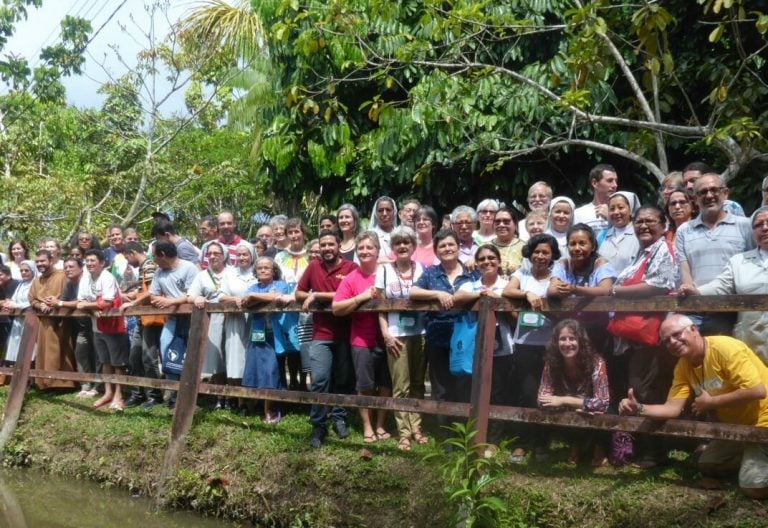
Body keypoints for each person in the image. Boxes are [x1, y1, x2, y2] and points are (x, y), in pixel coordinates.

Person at [619, 314, 768, 499]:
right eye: (666, 341)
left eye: (676, 334)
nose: (672, 342)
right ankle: (750, 458)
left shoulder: (725, 349)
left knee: (754, 489)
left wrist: (711, 403)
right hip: (735, 428)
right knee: (706, 465)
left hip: (763, 424)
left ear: (693, 329)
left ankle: (756, 463)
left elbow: (757, 391)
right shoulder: (683, 366)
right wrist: (639, 409)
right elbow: (672, 408)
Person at [680, 206, 768, 366]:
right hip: (751, 339)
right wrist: (697, 291)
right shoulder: (739, 261)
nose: (765, 228)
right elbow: (722, 285)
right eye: (758, 225)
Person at [410, 229, 479, 432]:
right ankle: (446, 433)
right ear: (436, 251)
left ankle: (464, 431)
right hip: (438, 336)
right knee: (441, 386)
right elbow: (413, 291)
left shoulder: (472, 272)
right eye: (442, 246)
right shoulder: (431, 272)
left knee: (464, 383)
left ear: (458, 247)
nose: (447, 249)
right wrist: (437, 294)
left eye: (451, 244)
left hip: (465, 338)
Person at [295, 230, 359, 448]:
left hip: (345, 332)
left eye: (331, 244)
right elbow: (298, 293)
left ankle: (339, 417)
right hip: (321, 333)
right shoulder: (314, 266)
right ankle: (318, 424)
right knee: (320, 379)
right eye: (323, 245)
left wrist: (318, 296)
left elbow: (352, 294)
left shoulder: (351, 268)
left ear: (339, 245)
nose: (327, 248)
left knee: (343, 379)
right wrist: (310, 295)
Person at [503, 234, 561, 462]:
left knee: (546, 395)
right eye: (536, 251)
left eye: (545, 252)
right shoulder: (522, 273)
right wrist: (527, 293)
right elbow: (507, 291)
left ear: (552, 255)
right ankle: (522, 442)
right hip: (524, 344)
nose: (540, 256)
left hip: (549, 345)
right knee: (526, 393)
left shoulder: (556, 276)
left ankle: (541, 444)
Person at [333, 231, 393, 444]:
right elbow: (337, 308)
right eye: (361, 249)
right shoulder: (351, 278)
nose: (365, 251)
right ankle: (367, 426)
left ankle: (381, 424)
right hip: (361, 339)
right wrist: (362, 297)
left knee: (386, 383)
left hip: (390, 337)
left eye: (369, 247)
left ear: (378, 251)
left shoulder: (388, 272)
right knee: (365, 384)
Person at [675, 173, 754, 335]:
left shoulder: (745, 226)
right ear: (695, 198)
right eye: (703, 192)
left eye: (714, 190)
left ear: (725, 193)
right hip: (697, 310)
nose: (709, 195)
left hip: (734, 310)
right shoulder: (684, 230)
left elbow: (751, 268)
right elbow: (684, 269)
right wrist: (692, 299)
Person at [455, 245, 515, 444]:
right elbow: (458, 298)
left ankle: (493, 440)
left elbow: (515, 315)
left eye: (491, 258)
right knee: (471, 391)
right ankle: (471, 437)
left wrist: (498, 299)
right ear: (477, 263)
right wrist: (482, 295)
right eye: (482, 259)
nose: (487, 262)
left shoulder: (508, 285)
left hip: (503, 346)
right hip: (473, 348)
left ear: (499, 261)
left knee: (498, 392)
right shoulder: (470, 285)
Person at [375, 226, 428, 451]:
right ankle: (403, 432)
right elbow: (379, 307)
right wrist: (386, 334)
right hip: (396, 335)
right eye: (398, 243)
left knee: (418, 383)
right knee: (401, 385)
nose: (403, 246)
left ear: (413, 246)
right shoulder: (384, 271)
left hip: (421, 333)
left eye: (407, 242)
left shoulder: (422, 269)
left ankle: (416, 427)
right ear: (393, 248)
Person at [538, 319, 610, 466]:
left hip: (592, 411)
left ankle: (600, 447)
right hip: (571, 409)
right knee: (556, 412)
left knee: (600, 412)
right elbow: (542, 399)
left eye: (572, 338)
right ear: (556, 342)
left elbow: (603, 402)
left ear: (581, 341)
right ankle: (575, 445)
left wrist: (566, 400)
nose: (567, 343)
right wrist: (571, 403)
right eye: (562, 339)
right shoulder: (551, 363)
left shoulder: (597, 362)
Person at [142, 242, 199, 411]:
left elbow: (192, 294)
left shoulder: (189, 268)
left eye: (153, 256)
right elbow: (152, 293)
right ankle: (175, 396)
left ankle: (189, 398)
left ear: (162, 254)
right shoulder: (160, 271)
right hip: (172, 319)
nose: (153, 260)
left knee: (189, 357)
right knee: (167, 352)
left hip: (190, 320)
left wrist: (169, 301)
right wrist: (132, 303)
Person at [239, 257, 294, 423]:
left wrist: (254, 296)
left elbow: (277, 296)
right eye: (260, 268)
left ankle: (272, 408)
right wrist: (262, 296)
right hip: (258, 333)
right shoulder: (252, 286)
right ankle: (262, 406)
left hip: (277, 335)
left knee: (272, 370)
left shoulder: (281, 284)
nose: (263, 270)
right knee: (259, 370)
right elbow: (244, 302)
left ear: (274, 270)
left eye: (267, 268)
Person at [548, 224, 616, 352]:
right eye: (572, 244)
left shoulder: (600, 263)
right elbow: (551, 290)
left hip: (598, 329)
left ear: (593, 246)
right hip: (568, 328)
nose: (577, 248)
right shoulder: (564, 263)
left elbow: (605, 290)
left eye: (582, 243)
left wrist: (575, 289)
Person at [76, 249, 128, 411]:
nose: (89, 264)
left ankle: (119, 395)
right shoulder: (85, 278)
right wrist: (91, 309)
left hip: (114, 325)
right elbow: (81, 299)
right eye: (88, 261)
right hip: (97, 326)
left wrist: (86, 306)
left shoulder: (107, 277)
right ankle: (108, 392)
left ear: (102, 263)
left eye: (93, 261)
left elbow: (106, 302)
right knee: (104, 360)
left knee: (117, 362)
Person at [118, 242, 164, 409]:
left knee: (149, 357)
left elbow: (152, 292)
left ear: (132, 252)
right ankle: (138, 393)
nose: (128, 262)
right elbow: (143, 291)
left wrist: (133, 303)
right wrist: (132, 296)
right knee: (134, 356)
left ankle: (154, 395)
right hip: (141, 318)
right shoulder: (143, 268)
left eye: (127, 257)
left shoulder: (150, 266)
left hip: (150, 319)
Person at [188, 241, 231, 409]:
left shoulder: (233, 273)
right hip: (213, 320)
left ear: (224, 255)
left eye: (216, 253)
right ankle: (221, 397)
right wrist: (197, 298)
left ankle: (235, 397)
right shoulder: (202, 275)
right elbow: (190, 295)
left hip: (234, 320)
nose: (213, 256)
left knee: (232, 358)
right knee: (217, 358)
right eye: (209, 253)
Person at [219, 244, 262, 403]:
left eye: (245, 254)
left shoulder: (258, 272)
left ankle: (254, 398)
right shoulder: (229, 274)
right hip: (235, 321)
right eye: (239, 255)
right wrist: (236, 299)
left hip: (256, 320)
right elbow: (221, 297)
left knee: (255, 353)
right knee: (235, 357)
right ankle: (237, 399)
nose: (242, 258)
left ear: (252, 256)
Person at [29, 249, 76, 390]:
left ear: (51, 260)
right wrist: (40, 304)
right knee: (43, 352)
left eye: (42, 261)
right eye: (37, 262)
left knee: (59, 350)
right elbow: (32, 298)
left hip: (60, 321)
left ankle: (63, 384)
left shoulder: (62, 276)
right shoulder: (37, 280)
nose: (40, 264)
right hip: (42, 322)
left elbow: (69, 295)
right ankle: (44, 383)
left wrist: (55, 302)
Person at [57, 257, 98, 397]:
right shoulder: (69, 285)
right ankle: (85, 384)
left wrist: (60, 303)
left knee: (98, 355)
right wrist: (55, 302)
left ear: (81, 268)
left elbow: (82, 301)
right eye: (66, 267)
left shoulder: (87, 281)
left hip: (96, 324)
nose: (68, 269)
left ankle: (99, 385)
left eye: (71, 266)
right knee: (80, 353)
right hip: (81, 327)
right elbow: (64, 300)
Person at [1, 260, 36, 366]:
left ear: (32, 271)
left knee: (29, 348)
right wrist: (9, 305)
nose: (24, 273)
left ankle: (29, 379)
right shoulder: (21, 284)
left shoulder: (35, 283)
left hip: (30, 319)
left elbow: (32, 301)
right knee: (18, 348)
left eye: (26, 270)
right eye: (21, 271)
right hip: (18, 319)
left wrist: (16, 306)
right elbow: (14, 299)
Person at [597, 191, 640, 275]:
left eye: (620, 207)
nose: (616, 212)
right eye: (612, 209)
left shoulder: (639, 234)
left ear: (630, 210)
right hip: (603, 287)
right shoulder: (602, 235)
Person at [574, 163, 618, 232]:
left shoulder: (621, 213)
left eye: (616, 181)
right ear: (594, 183)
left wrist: (610, 218)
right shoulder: (579, 214)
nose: (615, 185)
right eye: (610, 181)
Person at [491, 207, 524, 277]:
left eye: (506, 222)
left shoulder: (525, 247)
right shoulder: (485, 247)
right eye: (497, 222)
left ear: (515, 225)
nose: (501, 225)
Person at [0, 265, 19, 359]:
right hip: (4, 321)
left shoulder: (14, 284)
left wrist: (4, 303)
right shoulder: (2, 285)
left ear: (9, 275)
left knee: (10, 347)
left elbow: (8, 303)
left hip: (15, 321)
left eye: (0, 275)